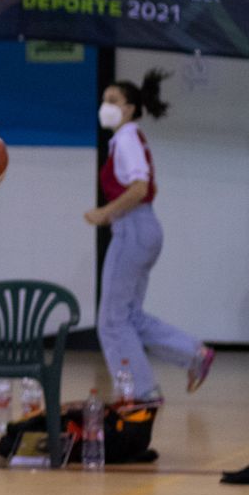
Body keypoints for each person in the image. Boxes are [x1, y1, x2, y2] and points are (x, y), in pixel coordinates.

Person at [86, 69, 213, 400]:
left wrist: (105, 212)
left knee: (112, 322)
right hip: (143, 229)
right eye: (104, 100)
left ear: (129, 108)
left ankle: (140, 393)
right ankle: (193, 355)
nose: (105, 106)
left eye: (112, 101)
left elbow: (139, 188)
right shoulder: (129, 138)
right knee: (129, 316)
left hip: (133, 228)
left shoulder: (127, 139)